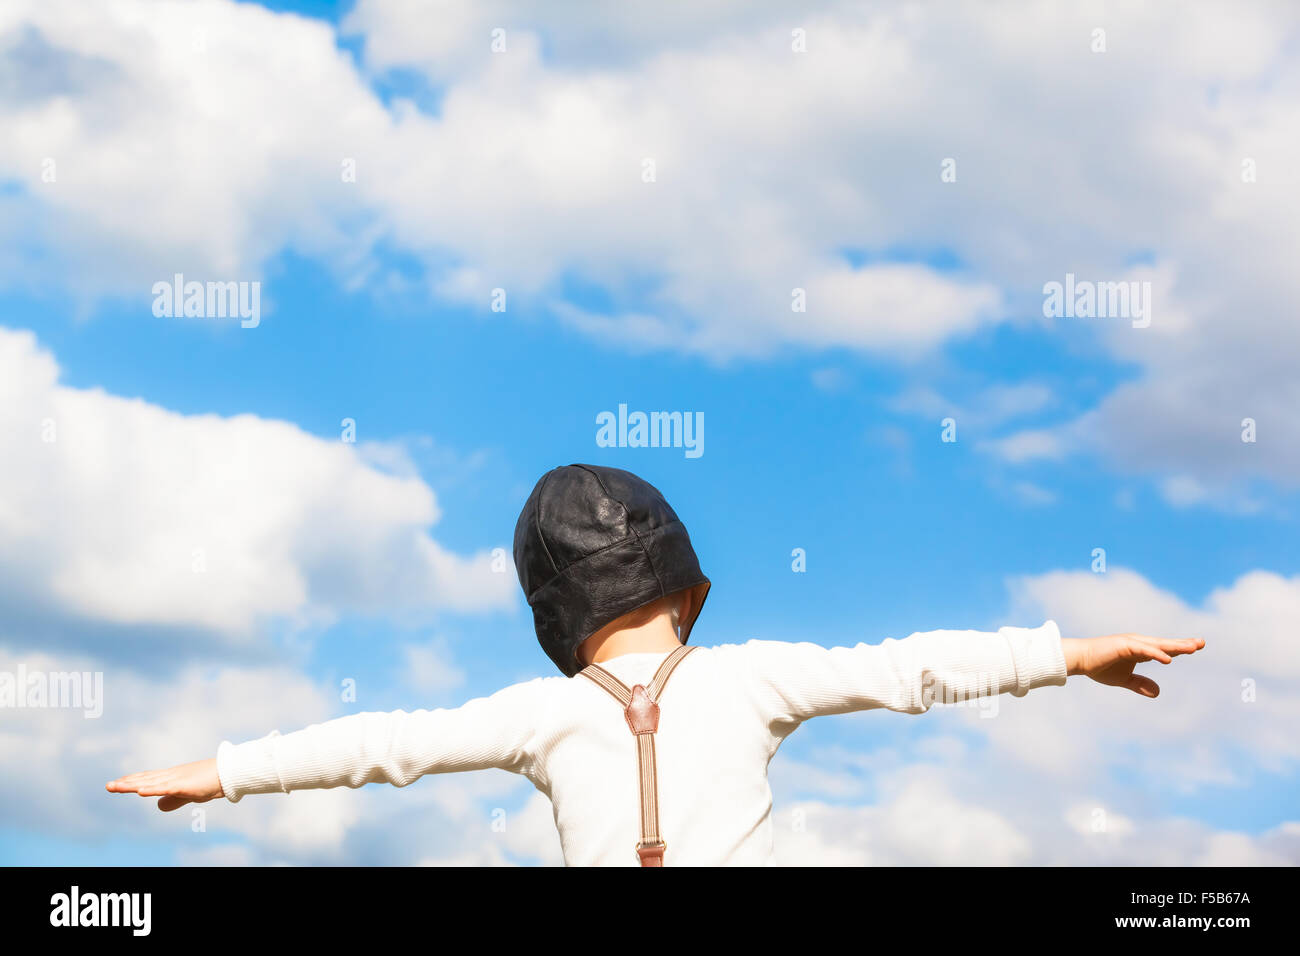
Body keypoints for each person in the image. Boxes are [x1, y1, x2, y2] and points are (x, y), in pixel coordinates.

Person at [107, 464, 1204, 866]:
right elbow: (910, 669)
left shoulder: (537, 714)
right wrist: (1063, 654)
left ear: (555, 614)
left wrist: (225, 768)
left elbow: (381, 743)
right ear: (685, 587)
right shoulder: (752, 676)